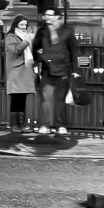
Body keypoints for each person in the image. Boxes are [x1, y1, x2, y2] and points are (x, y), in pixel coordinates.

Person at [34, 8, 76, 136]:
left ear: (57, 17)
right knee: (46, 100)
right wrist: (41, 58)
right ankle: (45, 124)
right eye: (46, 14)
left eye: (50, 15)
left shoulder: (67, 31)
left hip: (63, 70)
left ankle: (60, 125)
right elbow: (35, 48)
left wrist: (75, 70)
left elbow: (74, 51)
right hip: (47, 71)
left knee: (60, 100)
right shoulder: (42, 31)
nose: (48, 17)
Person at [4, 15, 37, 132]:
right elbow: (16, 50)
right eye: (21, 24)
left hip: (26, 69)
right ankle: (14, 124)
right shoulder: (10, 37)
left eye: (25, 25)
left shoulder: (25, 36)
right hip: (16, 70)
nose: (24, 27)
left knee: (23, 97)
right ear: (15, 25)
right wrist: (27, 41)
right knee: (16, 98)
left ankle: (22, 124)